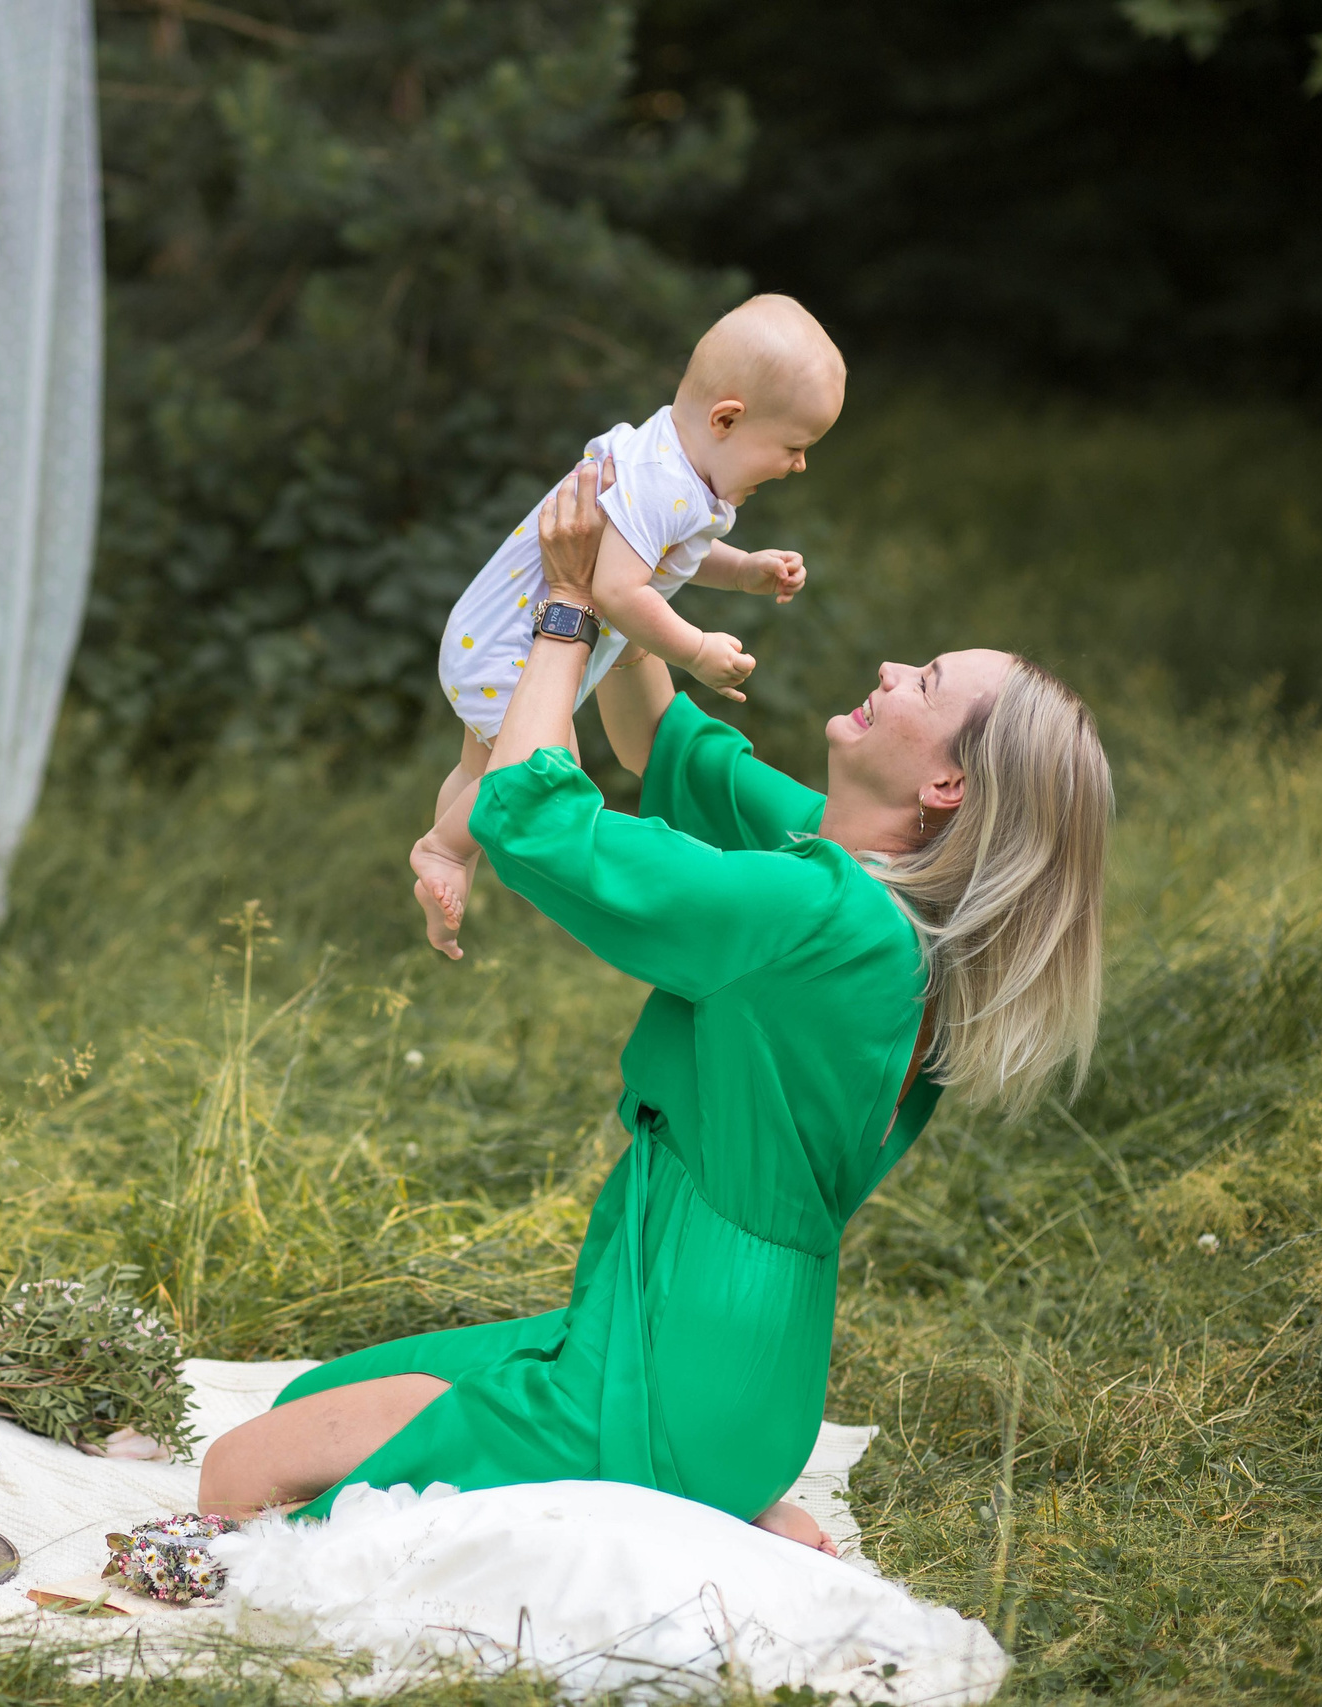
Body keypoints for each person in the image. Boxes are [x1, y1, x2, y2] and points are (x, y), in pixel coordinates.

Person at [199, 456, 1111, 1551]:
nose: (888, 668)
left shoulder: (815, 917)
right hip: (715, 1349)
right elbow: (661, 744)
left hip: (683, 1352)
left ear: (947, 787)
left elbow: (532, 821)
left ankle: (668, 1483)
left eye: (922, 680)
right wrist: (639, 557)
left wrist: (566, 610)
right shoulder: (865, 889)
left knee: (236, 1476)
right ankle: (712, 1494)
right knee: (320, 1393)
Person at [413, 294, 843, 961]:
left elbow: (671, 556)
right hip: (508, 649)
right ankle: (444, 847)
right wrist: (696, 650)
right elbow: (616, 589)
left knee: (483, 765)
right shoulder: (659, 480)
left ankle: (451, 859)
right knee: (541, 774)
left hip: (495, 637)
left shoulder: (681, 475)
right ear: (727, 418)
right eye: (793, 446)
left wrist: (748, 571)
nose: (799, 465)